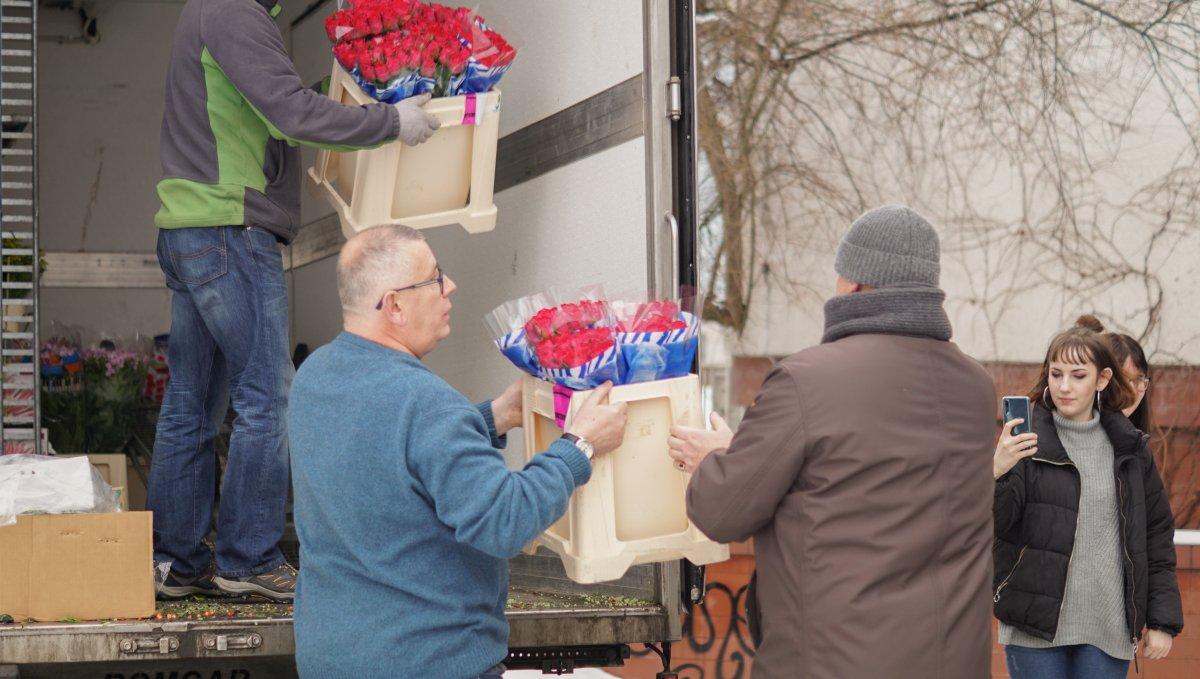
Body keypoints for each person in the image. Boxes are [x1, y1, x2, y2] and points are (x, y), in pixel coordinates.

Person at [148, 0, 441, 601]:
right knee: (269, 397)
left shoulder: (208, 9)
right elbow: (289, 112)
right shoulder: (234, 11)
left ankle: (175, 561)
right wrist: (389, 122)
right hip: (230, 228)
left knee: (191, 403)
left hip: (191, 227)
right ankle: (247, 560)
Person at [668, 206, 997, 678]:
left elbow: (723, 511)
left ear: (853, 282)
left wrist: (716, 458)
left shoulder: (805, 381)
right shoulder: (976, 387)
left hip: (833, 662)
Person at [287, 225, 629, 679]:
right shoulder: (427, 403)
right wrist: (580, 445)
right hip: (428, 665)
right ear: (395, 305)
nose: (450, 285)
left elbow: (384, 453)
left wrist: (492, 417)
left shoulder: (314, 377)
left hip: (330, 662)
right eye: (434, 277)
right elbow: (505, 520)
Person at [992, 317, 1183, 678]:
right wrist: (998, 472)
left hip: (1107, 628)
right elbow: (996, 527)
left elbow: (1156, 536)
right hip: (1033, 628)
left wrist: (1162, 619)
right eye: (1056, 374)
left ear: (1102, 379)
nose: (1064, 386)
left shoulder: (1130, 449)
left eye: (1078, 375)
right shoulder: (1025, 442)